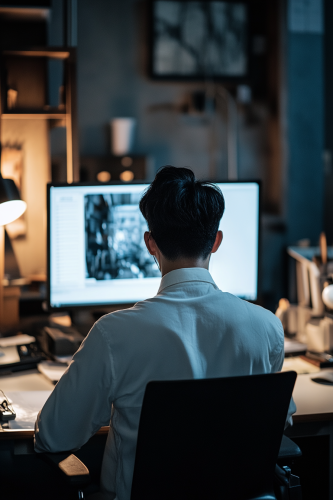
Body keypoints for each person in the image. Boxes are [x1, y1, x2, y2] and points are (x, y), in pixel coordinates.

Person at [34, 166, 295, 500]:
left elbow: (53, 437)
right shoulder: (266, 326)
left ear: (150, 244)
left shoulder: (114, 334)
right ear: (215, 242)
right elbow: (276, 424)